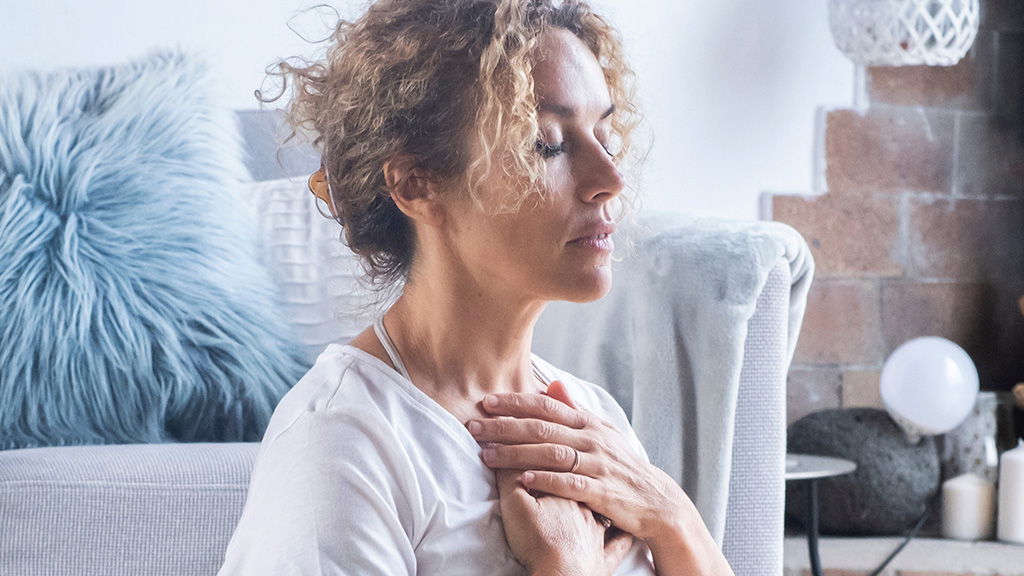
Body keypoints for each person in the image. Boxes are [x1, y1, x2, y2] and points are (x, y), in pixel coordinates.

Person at [219, 0, 734, 574]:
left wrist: (671, 513)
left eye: (605, 134)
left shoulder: (592, 422)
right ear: (416, 184)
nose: (610, 178)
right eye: (548, 144)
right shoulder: (341, 441)